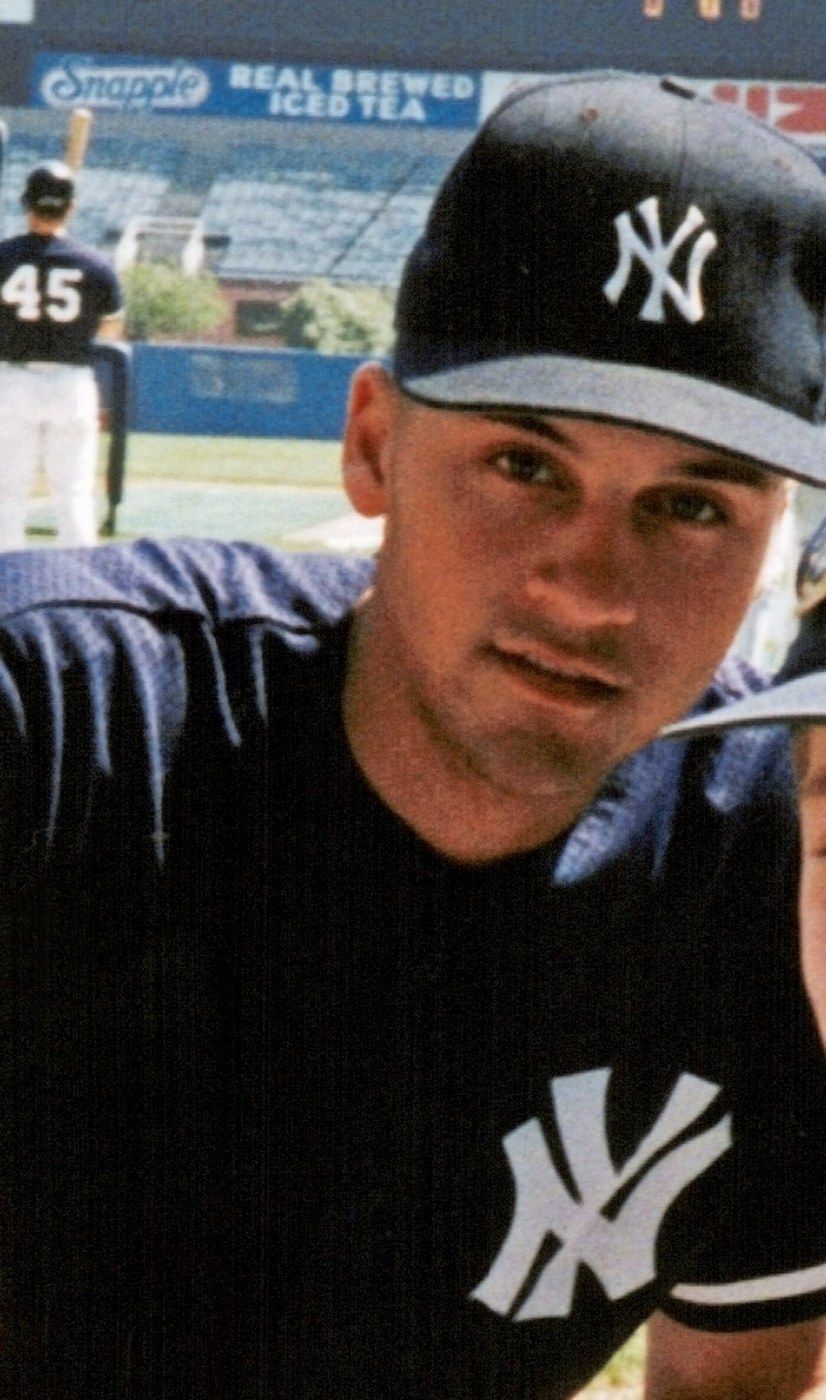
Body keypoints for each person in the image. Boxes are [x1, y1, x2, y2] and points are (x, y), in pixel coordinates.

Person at [0, 73, 824, 1400]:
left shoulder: (775, 866)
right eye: (523, 466)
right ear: (374, 444)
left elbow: (735, 1380)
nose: (589, 588)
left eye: (688, 507)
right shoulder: (57, 724)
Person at [0, 159, 123, 551]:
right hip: (71, 383)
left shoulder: (3, 257)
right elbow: (112, 327)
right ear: (71, 206)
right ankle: (81, 587)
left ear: (26, 203)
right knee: (72, 492)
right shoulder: (95, 264)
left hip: (12, 380)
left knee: (6, 493)